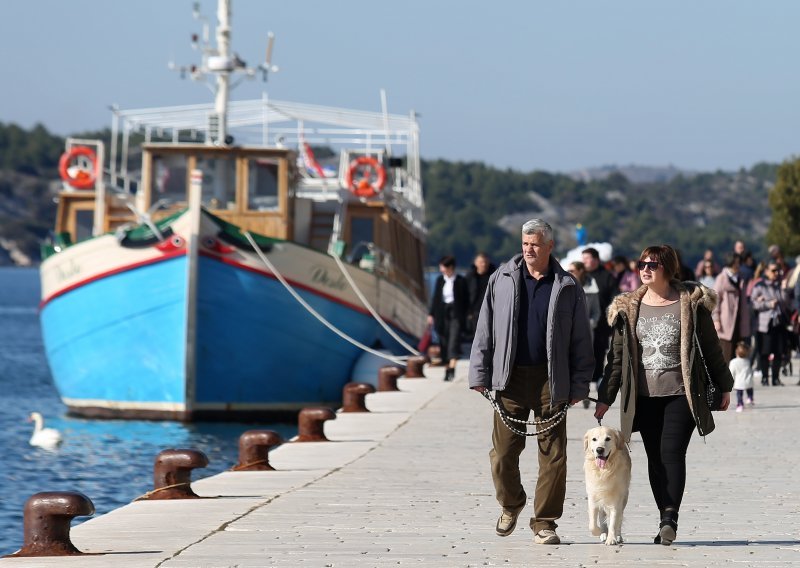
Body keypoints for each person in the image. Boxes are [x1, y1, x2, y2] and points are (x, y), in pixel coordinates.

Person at [594, 244, 733, 546]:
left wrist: (725, 385)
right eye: (641, 264)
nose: (645, 269)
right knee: (655, 459)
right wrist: (605, 395)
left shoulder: (690, 303)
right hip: (643, 397)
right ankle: (663, 516)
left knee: (671, 453)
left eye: (652, 265)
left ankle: (670, 516)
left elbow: (711, 348)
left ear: (668, 268)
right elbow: (616, 358)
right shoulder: (628, 307)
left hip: (681, 392)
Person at [469, 218, 594, 545]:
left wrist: (580, 383)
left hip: (551, 379)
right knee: (502, 454)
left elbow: (581, 337)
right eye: (525, 244)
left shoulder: (566, 285)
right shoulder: (501, 279)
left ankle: (545, 521)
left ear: (550, 247)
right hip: (509, 378)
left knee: (554, 454)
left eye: (535, 244)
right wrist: (479, 374)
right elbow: (485, 328)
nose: (528, 249)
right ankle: (511, 503)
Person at [582, 247, 619, 394]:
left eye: (588, 258)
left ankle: (596, 378)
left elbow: (615, 297)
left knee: (598, 351)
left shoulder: (607, 276)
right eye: (583, 258)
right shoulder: (581, 276)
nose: (585, 261)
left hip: (602, 323)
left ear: (596, 259)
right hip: (584, 322)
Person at [428, 255, 469, 381]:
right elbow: (435, 299)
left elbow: (466, 300)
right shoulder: (440, 280)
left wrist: (466, 316)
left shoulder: (460, 280)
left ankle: (452, 368)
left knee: (454, 341)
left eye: (443, 267)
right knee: (444, 341)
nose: (441, 269)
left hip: (456, 314)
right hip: (442, 313)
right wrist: (431, 314)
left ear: (450, 267)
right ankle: (447, 368)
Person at [750, 261, 791, 386]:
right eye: (773, 270)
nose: (776, 273)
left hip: (778, 322)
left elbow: (785, 302)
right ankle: (764, 377)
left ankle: (775, 378)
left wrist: (784, 289)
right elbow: (753, 303)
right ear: (766, 271)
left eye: (777, 270)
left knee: (778, 351)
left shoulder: (779, 285)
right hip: (764, 324)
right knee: (764, 351)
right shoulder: (760, 286)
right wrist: (768, 304)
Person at [712, 253, 750, 362]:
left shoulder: (741, 278)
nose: (738, 265)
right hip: (726, 323)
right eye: (736, 263)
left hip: (740, 322)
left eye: (739, 263)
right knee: (726, 355)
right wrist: (716, 319)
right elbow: (715, 300)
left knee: (740, 355)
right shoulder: (721, 278)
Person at [465, 252, 496, 339]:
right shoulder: (470, 277)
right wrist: (468, 311)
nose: (483, 264)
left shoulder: (494, 276)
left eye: (485, 262)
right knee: (477, 336)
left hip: (491, 309)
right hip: (475, 311)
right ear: (476, 263)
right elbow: (465, 295)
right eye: (481, 262)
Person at [568, 261, 601, 337]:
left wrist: (589, 325)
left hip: (585, 332)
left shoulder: (592, 289)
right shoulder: (564, 287)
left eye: (572, 271)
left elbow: (596, 311)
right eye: (568, 271)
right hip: (567, 332)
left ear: (580, 271)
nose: (569, 273)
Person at [729, 341, 754, 412]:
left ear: (736, 352)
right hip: (748, 380)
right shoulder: (747, 361)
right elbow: (750, 371)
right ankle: (750, 398)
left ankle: (740, 404)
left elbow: (731, 372)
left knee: (739, 394)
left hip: (739, 382)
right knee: (749, 390)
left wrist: (731, 381)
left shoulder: (733, 362)